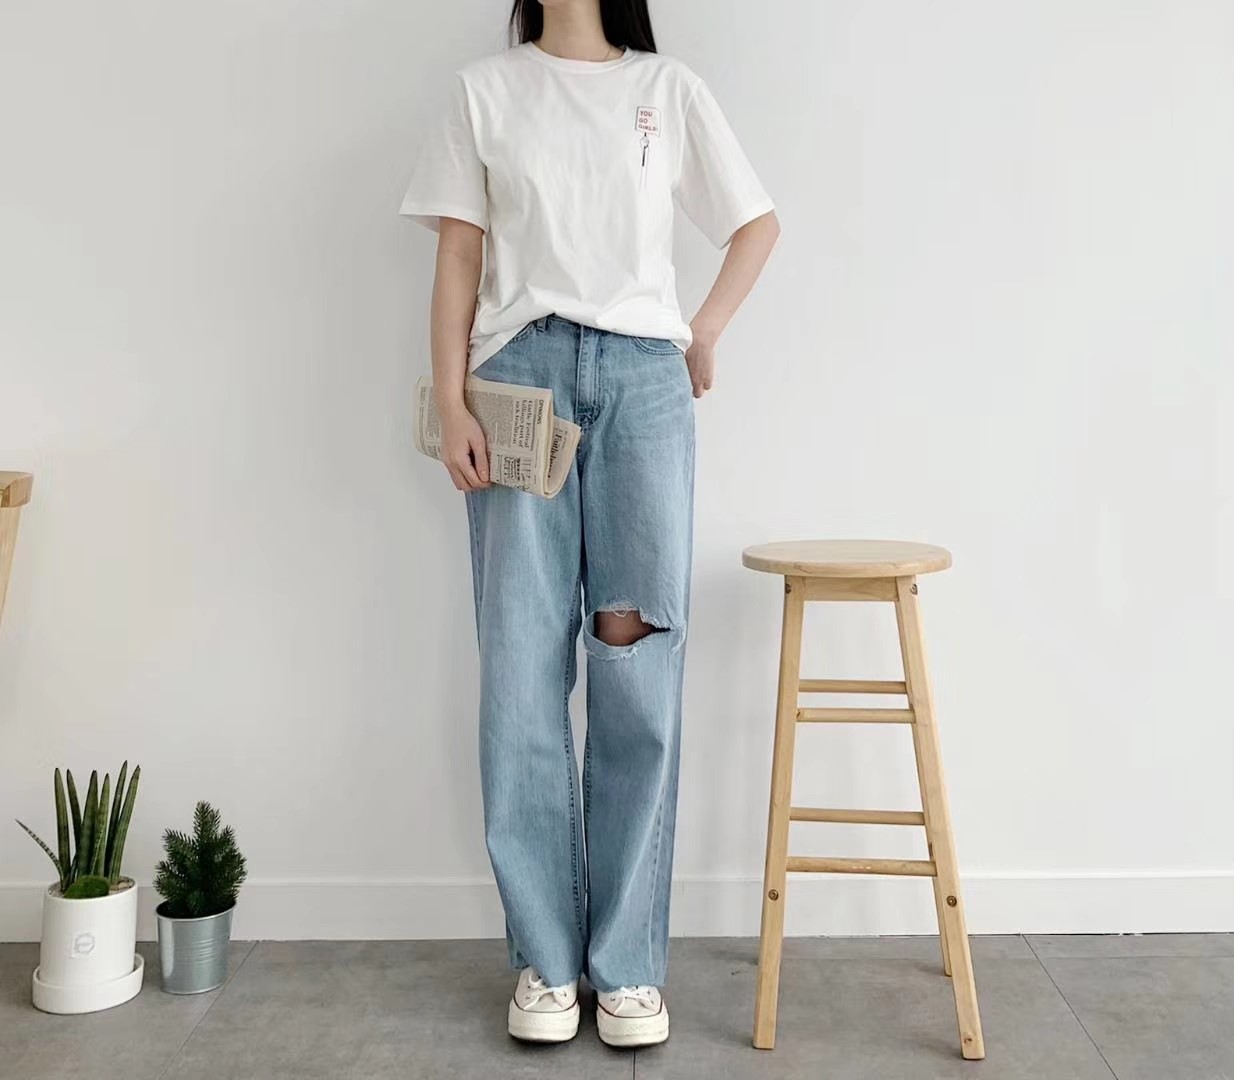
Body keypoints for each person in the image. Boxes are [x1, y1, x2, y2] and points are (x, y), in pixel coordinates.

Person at [400, 0, 779, 1049]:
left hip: (645, 385)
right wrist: (451, 398)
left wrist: (702, 331)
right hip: (516, 379)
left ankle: (627, 966)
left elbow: (755, 223)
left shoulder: (667, 89)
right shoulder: (484, 91)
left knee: (634, 661)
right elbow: (459, 257)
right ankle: (545, 960)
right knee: (521, 668)